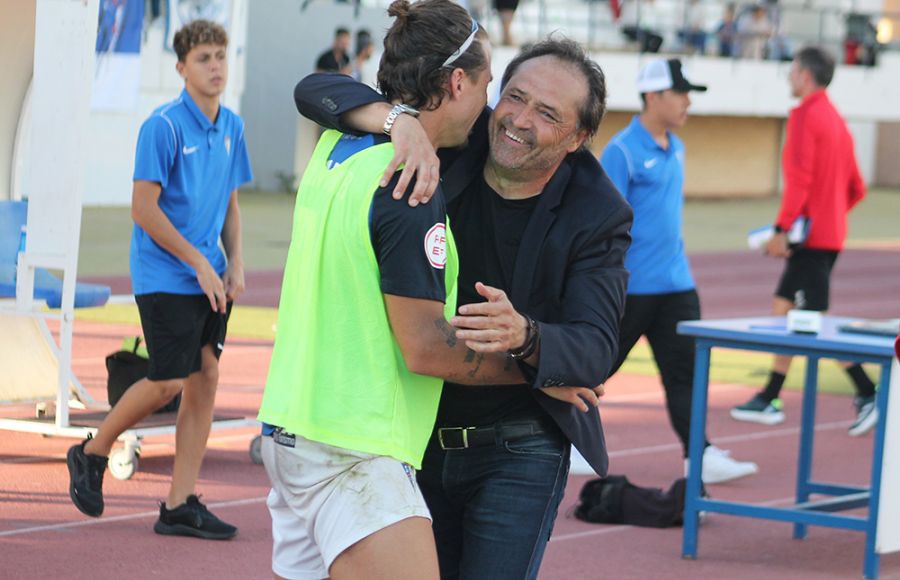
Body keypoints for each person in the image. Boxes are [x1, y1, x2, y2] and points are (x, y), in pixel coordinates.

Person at [260, 5, 606, 580]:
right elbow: (425, 348)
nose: (495, 103)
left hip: (291, 429)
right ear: (457, 81)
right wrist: (536, 369)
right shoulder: (412, 183)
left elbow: (319, 91)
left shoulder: (335, 148)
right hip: (354, 449)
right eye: (491, 81)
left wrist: (397, 120)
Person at [66, 20, 253, 539]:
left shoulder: (233, 125)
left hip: (211, 278)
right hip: (165, 275)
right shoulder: (163, 126)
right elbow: (144, 210)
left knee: (206, 377)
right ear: (181, 68)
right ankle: (91, 452)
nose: (215, 66)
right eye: (203, 58)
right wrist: (198, 261)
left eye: (220, 56)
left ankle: (179, 503)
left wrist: (234, 261)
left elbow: (232, 206)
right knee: (170, 378)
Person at [601, 58, 758, 485]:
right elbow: (602, 222)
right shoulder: (622, 150)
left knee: (685, 374)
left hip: (677, 286)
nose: (688, 101)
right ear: (654, 96)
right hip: (632, 290)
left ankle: (699, 454)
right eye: (681, 93)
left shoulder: (678, 147)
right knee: (596, 367)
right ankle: (564, 439)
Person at [730, 46, 876, 436]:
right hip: (827, 235)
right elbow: (856, 187)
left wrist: (782, 229)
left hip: (810, 239)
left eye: (792, 71)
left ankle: (869, 390)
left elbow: (800, 180)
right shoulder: (838, 121)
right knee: (785, 310)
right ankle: (770, 396)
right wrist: (830, 215)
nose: (789, 78)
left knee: (814, 322)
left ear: (806, 76)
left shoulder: (805, 117)